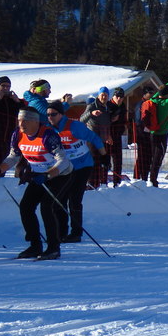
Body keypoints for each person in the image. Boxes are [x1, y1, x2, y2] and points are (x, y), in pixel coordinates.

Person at [0, 107, 73, 260]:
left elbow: (63, 161)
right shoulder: (18, 134)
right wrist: (0, 169)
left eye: (25, 120)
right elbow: (13, 156)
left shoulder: (48, 135)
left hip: (60, 174)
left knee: (47, 207)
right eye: (19, 120)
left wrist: (48, 174)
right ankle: (35, 245)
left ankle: (53, 247)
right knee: (26, 206)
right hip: (39, 174)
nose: (21, 124)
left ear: (35, 122)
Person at [46, 100, 107, 243]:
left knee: (74, 199)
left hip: (82, 166)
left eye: (53, 114)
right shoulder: (49, 129)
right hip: (64, 167)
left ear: (61, 114)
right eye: (48, 115)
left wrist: (104, 155)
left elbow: (94, 138)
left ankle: (76, 233)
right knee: (60, 199)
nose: (50, 117)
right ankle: (61, 232)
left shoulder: (74, 126)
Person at [80, 86, 114, 187]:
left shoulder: (107, 107)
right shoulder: (92, 106)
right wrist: (91, 113)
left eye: (106, 95)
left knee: (103, 163)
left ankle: (100, 185)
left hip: (103, 139)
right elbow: (81, 119)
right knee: (93, 164)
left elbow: (107, 123)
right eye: (102, 95)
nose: (104, 97)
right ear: (98, 96)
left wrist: (108, 135)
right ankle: (91, 185)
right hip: (92, 140)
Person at [0, 76, 22, 166]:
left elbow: (23, 112)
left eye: (8, 86)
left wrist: (17, 101)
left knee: (3, 162)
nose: (6, 88)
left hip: (8, 136)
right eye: (3, 86)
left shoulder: (11, 99)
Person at [132, 86, 155, 181]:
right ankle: (138, 176)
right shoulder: (141, 104)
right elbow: (138, 120)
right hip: (142, 134)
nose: (152, 95)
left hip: (147, 133)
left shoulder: (150, 103)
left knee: (147, 156)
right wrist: (145, 128)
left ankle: (144, 176)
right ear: (145, 94)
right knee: (142, 156)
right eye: (150, 93)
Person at [106, 87, 127, 187]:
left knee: (118, 161)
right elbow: (101, 123)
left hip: (117, 136)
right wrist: (111, 120)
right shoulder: (107, 105)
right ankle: (103, 183)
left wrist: (123, 129)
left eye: (121, 97)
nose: (119, 99)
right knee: (105, 161)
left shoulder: (123, 106)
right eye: (117, 96)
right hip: (107, 137)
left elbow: (124, 121)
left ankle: (117, 183)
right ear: (113, 96)